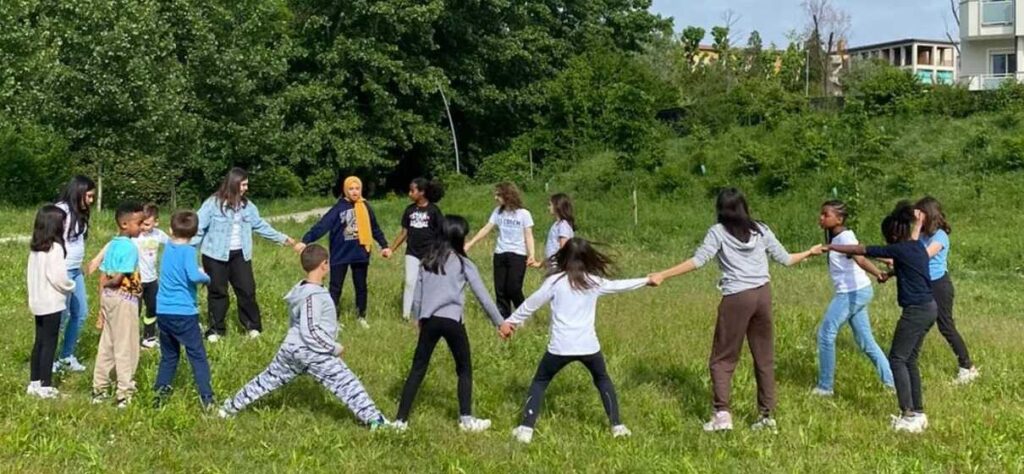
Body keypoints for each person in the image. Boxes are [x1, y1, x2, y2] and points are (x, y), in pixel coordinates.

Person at [649, 188, 823, 432]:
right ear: (744, 207)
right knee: (764, 356)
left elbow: (698, 261)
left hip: (737, 297)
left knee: (722, 359)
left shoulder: (718, 233)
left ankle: (722, 415)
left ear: (720, 209)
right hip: (763, 294)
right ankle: (767, 416)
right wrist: (810, 252)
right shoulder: (760, 229)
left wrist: (663, 274)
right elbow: (786, 259)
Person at [218, 244, 389, 430]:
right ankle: (377, 422)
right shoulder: (312, 296)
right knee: (347, 384)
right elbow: (310, 330)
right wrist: (333, 347)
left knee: (266, 380)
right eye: (328, 262)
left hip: (291, 348)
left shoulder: (301, 289)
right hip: (311, 351)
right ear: (324, 265)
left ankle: (228, 409)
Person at [500, 238, 653, 444]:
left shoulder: (555, 282)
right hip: (588, 346)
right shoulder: (593, 282)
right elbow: (619, 286)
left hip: (560, 347)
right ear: (587, 258)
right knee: (603, 381)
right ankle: (618, 426)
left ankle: (526, 430)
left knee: (540, 382)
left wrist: (510, 322)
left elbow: (531, 304)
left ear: (564, 257)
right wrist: (646, 280)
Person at [828, 202, 937, 433]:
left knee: (897, 359)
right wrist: (889, 273)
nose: (887, 242)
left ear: (894, 235)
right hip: (929, 308)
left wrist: (833, 247)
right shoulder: (916, 246)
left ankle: (907, 415)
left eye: (887, 238)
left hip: (915, 311)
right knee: (909, 360)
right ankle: (918, 413)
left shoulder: (899, 249)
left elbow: (862, 250)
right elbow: (910, 267)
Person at [393, 215, 504, 432]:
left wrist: (417, 318)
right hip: (453, 321)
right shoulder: (464, 263)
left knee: (418, 368)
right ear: (458, 237)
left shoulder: (428, 260)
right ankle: (466, 420)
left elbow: (417, 293)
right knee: (464, 369)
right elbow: (483, 296)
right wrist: (500, 323)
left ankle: (400, 421)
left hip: (430, 321)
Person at [193, 167, 301, 341]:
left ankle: (252, 326)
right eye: (243, 184)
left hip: (240, 255)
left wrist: (283, 239)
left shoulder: (248, 206)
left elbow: (260, 225)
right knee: (217, 292)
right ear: (233, 184)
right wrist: (187, 250)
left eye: (246, 184)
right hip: (215, 256)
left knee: (247, 290)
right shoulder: (212, 204)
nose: (246, 188)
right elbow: (198, 228)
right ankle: (216, 330)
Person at [813, 200, 894, 396]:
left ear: (839, 219)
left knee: (826, 334)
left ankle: (825, 387)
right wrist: (885, 261)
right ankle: (891, 383)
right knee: (866, 341)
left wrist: (879, 274)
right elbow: (862, 249)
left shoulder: (844, 236)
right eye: (821, 214)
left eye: (826, 215)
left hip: (853, 293)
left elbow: (860, 257)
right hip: (858, 291)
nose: (821, 218)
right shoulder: (838, 237)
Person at [301, 176, 391, 328]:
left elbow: (374, 228)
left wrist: (384, 245)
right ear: (345, 190)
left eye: (357, 188)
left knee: (361, 286)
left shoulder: (365, 206)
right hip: (340, 254)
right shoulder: (338, 208)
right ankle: (332, 319)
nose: (355, 192)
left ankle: (361, 316)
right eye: (351, 188)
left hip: (360, 253)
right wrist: (306, 240)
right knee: (336, 287)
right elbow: (322, 225)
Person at [153, 211, 214, 409]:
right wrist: (206, 277)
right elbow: (193, 276)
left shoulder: (168, 248)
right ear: (195, 233)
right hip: (184, 312)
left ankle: (159, 395)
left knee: (169, 356)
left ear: (170, 230)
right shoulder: (189, 251)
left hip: (163, 310)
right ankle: (207, 398)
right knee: (197, 354)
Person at [915, 196, 979, 385]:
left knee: (945, 325)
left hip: (939, 285)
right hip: (925, 283)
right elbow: (910, 254)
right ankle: (907, 361)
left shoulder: (940, 236)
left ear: (929, 214)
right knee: (919, 323)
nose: (916, 217)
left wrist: (916, 229)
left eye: (920, 214)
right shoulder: (922, 235)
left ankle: (967, 367)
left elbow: (921, 257)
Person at [89, 203, 169, 349]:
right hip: (135, 281)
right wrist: (98, 258)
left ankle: (149, 337)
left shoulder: (158, 234)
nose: (143, 228)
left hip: (152, 280)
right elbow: (112, 244)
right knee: (134, 310)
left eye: (147, 224)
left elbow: (173, 243)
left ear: (156, 222)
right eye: (141, 223)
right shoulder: (134, 237)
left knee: (152, 308)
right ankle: (130, 337)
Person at [92, 202, 146, 408]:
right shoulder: (130, 248)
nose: (142, 227)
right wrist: (112, 282)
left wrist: (101, 304)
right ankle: (125, 392)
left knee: (107, 344)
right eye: (139, 223)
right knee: (127, 346)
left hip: (109, 299)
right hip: (125, 299)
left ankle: (99, 388)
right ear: (124, 224)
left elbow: (103, 275)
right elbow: (116, 278)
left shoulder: (112, 244)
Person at [27, 205, 77, 399]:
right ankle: (46, 385)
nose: (65, 225)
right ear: (55, 225)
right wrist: (70, 286)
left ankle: (34, 382)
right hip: (52, 303)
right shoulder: (55, 248)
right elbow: (58, 278)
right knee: (50, 343)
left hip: (38, 302)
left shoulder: (36, 248)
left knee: (39, 342)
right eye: (63, 222)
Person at [464, 182, 536, 318]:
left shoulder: (524, 214)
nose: (495, 198)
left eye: (498, 195)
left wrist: (531, 254)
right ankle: (504, 318)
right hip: (500, 253)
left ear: (507, 195)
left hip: (518, 255)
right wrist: (470, 243)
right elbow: (486, 228)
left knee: (513, 288)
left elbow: (528, 235)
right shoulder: (498, 212)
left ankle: (523, 315)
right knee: (500, 290)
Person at [53, 175, 96, 373]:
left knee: (81, 313)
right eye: (88, 196)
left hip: (75, 271)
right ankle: (50, 358)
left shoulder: (80, 213)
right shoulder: (61, 211)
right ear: (78, 192)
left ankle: (66, 355)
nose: (91, 200)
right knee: (60, 316)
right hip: (61, 270)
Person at [386, 178, 445, 321]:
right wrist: (391, 249)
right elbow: (404, 233)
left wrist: (441, 252)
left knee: (428, 283)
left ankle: (427, 313)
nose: (409, 193)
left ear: (422, 192)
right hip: (412, 252)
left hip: (429, 253)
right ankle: (406, 315)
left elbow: (441, 233)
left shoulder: (434, 211)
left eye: (412, 190)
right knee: (410, 282)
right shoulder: (409, 210)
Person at [538, 193, 575, 268]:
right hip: (552, 264)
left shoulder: (563, 225)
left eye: (550, 205)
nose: (548, 207)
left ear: (557, 206)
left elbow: (564, 248)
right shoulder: (556, 224)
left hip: (558, 265)